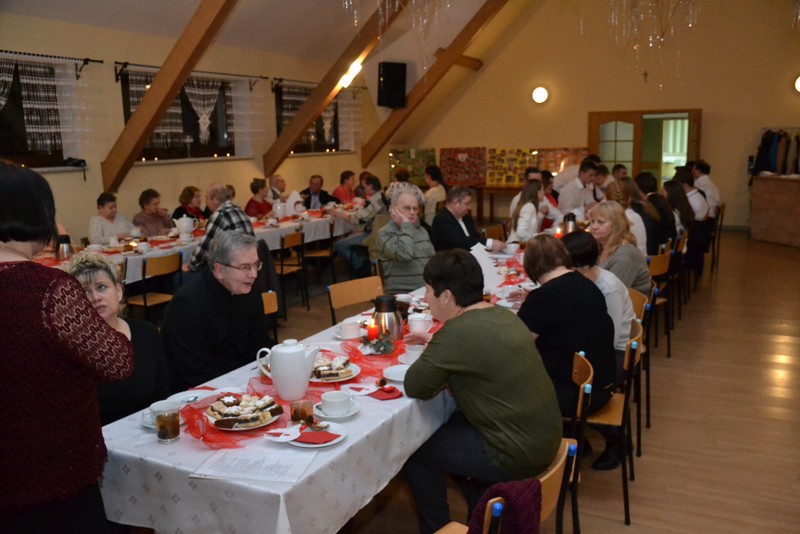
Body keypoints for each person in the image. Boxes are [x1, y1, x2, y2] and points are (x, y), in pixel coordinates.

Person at [0, 161, 134, 531]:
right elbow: (117, 363)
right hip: (53, 471)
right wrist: (119, 326)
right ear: (36, 215)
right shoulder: (48, 289)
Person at [403, 249, 561, 533]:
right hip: (546, 435)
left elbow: (416, 386)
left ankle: (437, 529)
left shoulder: (456, 332)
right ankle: (481, 502)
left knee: (415, 449)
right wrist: (442, 348)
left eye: (427, 290)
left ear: (446, 296)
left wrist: (439, 347)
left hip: (517, 452)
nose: (425, 298)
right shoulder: (502, 314)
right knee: (449, 426)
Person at [516, 234, 619, 471]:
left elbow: (516, 343)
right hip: (603, 379)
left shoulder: (544, 297)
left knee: (513, 386)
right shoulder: (585, 284)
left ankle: (530, 458)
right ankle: (577, 439)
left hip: (578, 394)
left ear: (530, 265)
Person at [64, 253, 169, 425]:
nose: (95, 297)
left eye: (102, 287)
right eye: (85, 291)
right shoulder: (73, 349)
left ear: (118, 291)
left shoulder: (146, 333)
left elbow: (162, 394)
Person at [162, 231, 272, 392]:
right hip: (200, 392)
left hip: (242, 380)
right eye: (245, 267)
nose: (254, 274)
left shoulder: (248, 287)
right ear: (219, 270)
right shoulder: (188, 303)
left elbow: (260, 344)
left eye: (256, 265)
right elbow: (196, 374)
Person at [561, 231, 636, 383]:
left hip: (617, 353)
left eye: (567, 267)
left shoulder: (609, 289)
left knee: (556, 367)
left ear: (583, 267)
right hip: (591, 341)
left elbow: (611, 339)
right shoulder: (581, 280)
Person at [376, 183, 435, 294]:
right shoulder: (385, 233)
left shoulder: (422, 231)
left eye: (415, 208)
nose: (412, 212)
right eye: (407, 208)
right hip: (401, 294)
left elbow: (432, 262)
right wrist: (406, 225)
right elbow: (405, 255)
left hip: (426, 291)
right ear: (393, 209)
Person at [187, 183, 254, 273]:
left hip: (233, 270)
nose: (205, 202)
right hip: (249, 265)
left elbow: (204, 249)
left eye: (207, 198)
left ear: (215, 200)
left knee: (180, 276)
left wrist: (191, 266)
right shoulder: (239, 210)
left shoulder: (220, 215)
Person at [588, 201, 652, 295]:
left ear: (616, 225)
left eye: (601, 222)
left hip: (627, 302)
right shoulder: (602, 247)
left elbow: (612, 293)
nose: (594, 227)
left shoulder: (624, 256)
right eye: (592, 221)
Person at [332, 175, 387, 276]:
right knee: (353, 234)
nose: (363, 189)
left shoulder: (373, 201)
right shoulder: (384, 196)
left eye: (364, 186)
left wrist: (336, 213)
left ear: (370, 186)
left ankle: (360, 265)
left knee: (338, 244)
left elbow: (356, 219)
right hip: (383, 233)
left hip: (373, 235)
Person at [431, 186, 505, 252]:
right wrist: (489, 243)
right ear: (456, 203)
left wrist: (489, 247)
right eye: (467, 203)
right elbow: (458, 241)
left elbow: (475, 238)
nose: (470, 207)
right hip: (453, 260)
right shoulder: (441, 219)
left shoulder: (466, 218)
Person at [604, 179, 648, 258]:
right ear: (629, 199)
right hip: (641, 261)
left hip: (626, 262)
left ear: (606, 200)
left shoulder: (608, 220)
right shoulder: (636, 217)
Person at [635, 172, 677, 250]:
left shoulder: (648, 204)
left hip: (656, 248)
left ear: (639, 188)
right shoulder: (660, 199)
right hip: (667, 245)